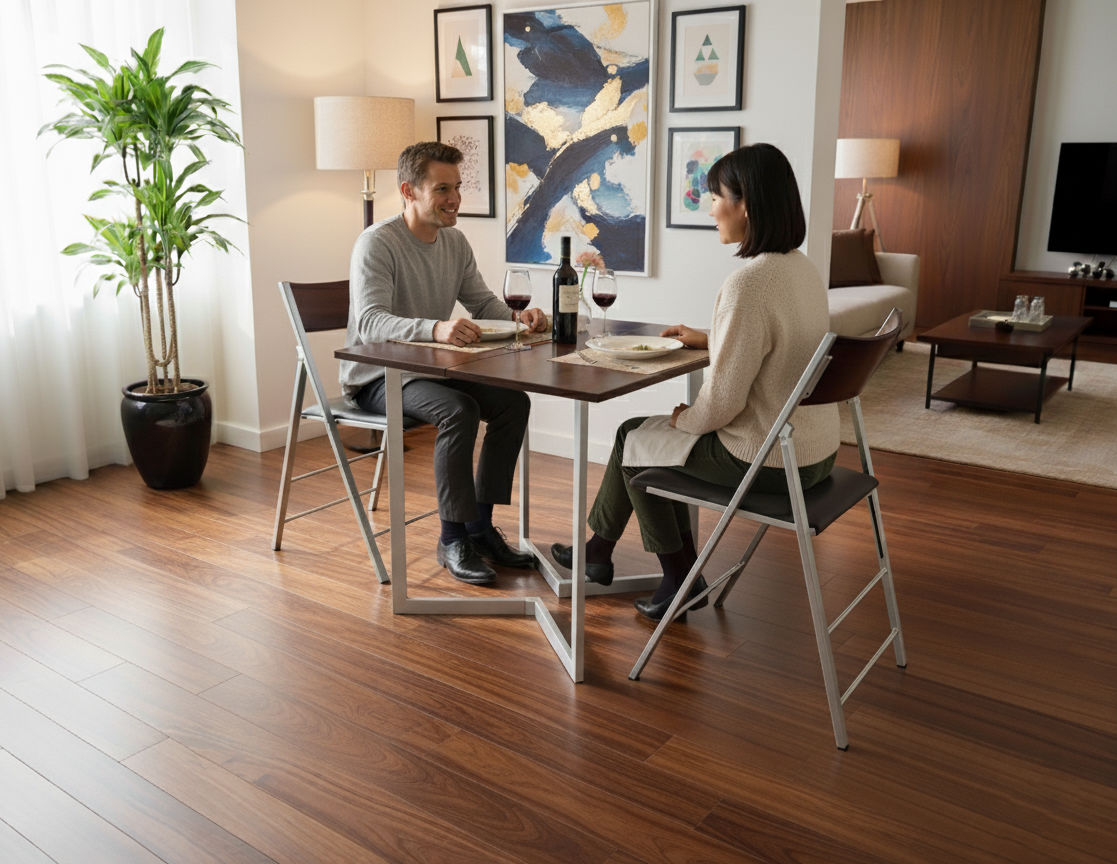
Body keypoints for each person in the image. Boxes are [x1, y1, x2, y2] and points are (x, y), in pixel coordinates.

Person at [551, 143, 840, 621]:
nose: (710, 210)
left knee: (633, 442)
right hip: (815, 452)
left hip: (761, 456)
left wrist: (685, 420)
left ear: (744, 204)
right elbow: (782, 341)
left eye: (715, 198)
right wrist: (715, 337)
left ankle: (680, 578)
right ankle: (596, 554)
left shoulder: (748, 284)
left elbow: (722, 403)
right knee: (641, 439)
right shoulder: (801, 270)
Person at [340, 141, 548, 586]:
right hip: (379, 375)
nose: (454, 199)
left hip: (433, 370)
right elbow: (371, 323)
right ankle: (452, 538)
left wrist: (518, 318)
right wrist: (436, 329)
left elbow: (481, 301)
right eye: (441, 189)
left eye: (456, 188)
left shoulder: (454, 241)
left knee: (513, 403)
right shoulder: (376, 244)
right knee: (459, 410)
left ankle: (480, 527)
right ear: (408, 191)